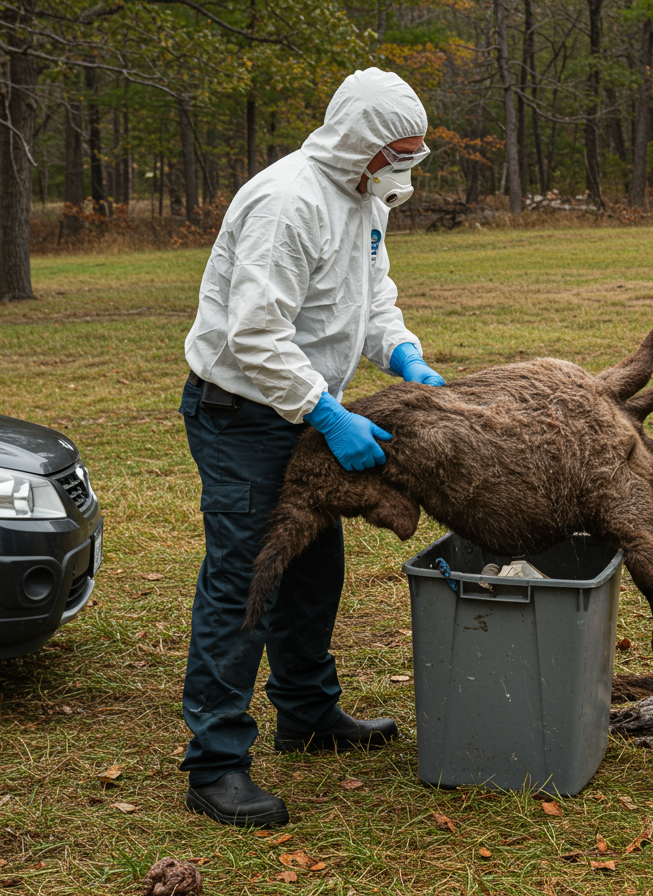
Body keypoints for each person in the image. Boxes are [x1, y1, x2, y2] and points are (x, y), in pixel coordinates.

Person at [178, 68, 444, 827]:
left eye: (414, 156)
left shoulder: (366, 196)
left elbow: (371, 292)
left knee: (315, 566)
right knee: (249, 578)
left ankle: (306, 715)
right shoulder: (287, 202)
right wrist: (327, 415)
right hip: (244, 411)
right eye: (398, 152)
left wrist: (402, 352)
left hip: (303, 409)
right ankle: (215, 765)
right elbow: (253, 334)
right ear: (362, 141)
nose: (404, 169)